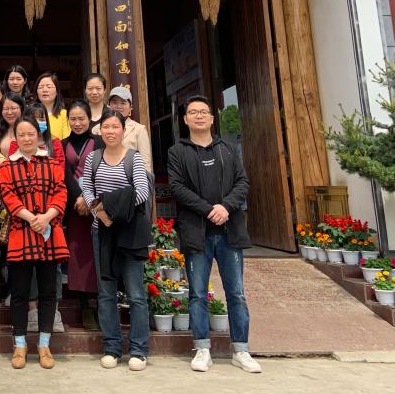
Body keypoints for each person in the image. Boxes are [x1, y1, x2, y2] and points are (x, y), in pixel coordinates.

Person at [167, 95, 260, 374]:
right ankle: (202, 348)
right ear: (185, 119)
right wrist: (209, 210)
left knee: (236, 293)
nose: (198, 116)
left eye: (203, 112)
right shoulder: (177, 152)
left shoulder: (226, 149)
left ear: (211, 118)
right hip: (197, 233)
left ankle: (241, 349)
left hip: (229, 232)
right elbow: (177, 187)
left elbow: (242, 182)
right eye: (192, 112)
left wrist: (225, 207)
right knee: (197, 293)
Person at [80, 110, 150, 371]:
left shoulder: (134, 158)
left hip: (129, 232)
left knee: (136, 293)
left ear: (123, 130)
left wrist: (110, 209)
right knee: (106, 292)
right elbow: (87, 188)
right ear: (100, 131)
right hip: (102, 231)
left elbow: (142, 192)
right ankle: (112, 347)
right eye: (106, 127)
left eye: (115, 127)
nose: (110, 131)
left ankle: (138, 350)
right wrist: (99, 213)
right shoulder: (94, 158)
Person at [0, 118, 69, 370]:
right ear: (16, 137)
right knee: (20, 293)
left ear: (38, 136)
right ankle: (19, 344)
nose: (27, 138)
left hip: (49, 232)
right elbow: (8, 195)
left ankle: (44, 344)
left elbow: (61, 191)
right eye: (22, 134)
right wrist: (31, 218)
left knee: (48, 292)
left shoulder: (52, 163)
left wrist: (47, 216)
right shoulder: (7, 166)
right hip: (21, 232)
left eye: (31, 134)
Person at [63, 100, 98, 330]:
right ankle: (84, 305)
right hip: (73, 208)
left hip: (96, 206)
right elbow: (64, 174)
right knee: (78, 254)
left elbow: (103, 170)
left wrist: (88, 197)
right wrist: (78, 197)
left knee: (96, 254)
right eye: (73, 119)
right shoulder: (62, 144)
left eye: (81, 118)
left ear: (89, 119)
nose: (77, 123)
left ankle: (99, 303)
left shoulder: (100, 142)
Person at [107, 86, 154, 173]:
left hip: (132, 179)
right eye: (114, 102)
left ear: (130, 107)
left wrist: (144, 180)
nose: (119, 106)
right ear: (109, 105)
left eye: (123, 103)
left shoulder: (139, 129)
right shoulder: (98, 129)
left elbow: (145, 163)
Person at [34, 72, 70, 141]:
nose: (44, 90)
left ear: (57, 92)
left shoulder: (64, 114)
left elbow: (66, 141)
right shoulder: (30, 114)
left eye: (49, 87)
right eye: (40, 87)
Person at [0, 92, 26, 158]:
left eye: (13, 108)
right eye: (5, 109)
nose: (9, 112)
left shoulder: (30, 129)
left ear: (22, 109)